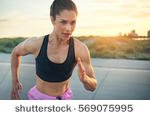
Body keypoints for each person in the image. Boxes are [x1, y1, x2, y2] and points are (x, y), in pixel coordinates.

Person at [11, 0, 97, 100]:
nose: (69, 28)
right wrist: (14, 81)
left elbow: (93, 87)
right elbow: (15, 53)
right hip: (38, 100)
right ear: (53, 20)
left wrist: (85, 79)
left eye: (73, 23)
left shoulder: (80, 49)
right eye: (63, 22)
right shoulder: (37, 44)